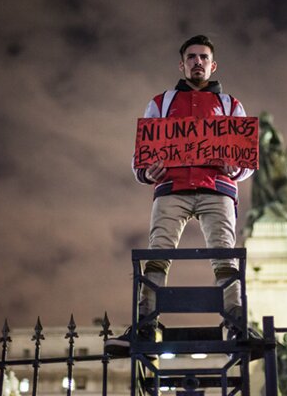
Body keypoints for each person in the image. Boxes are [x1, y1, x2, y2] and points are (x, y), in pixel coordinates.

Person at [105, 35, 255, 357]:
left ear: (212, 65)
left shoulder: (232, 105)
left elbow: (246, 158)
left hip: (217, 188)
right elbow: (141, 154)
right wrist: (148, 172)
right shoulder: (160, 103)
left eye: (203, 57)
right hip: (173, 187)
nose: (197, 62)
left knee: (225, 256)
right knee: (157, 253)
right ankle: (146, 322)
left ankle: (235, 322)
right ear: (182, 63)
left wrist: (236, 169)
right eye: (192, 57)